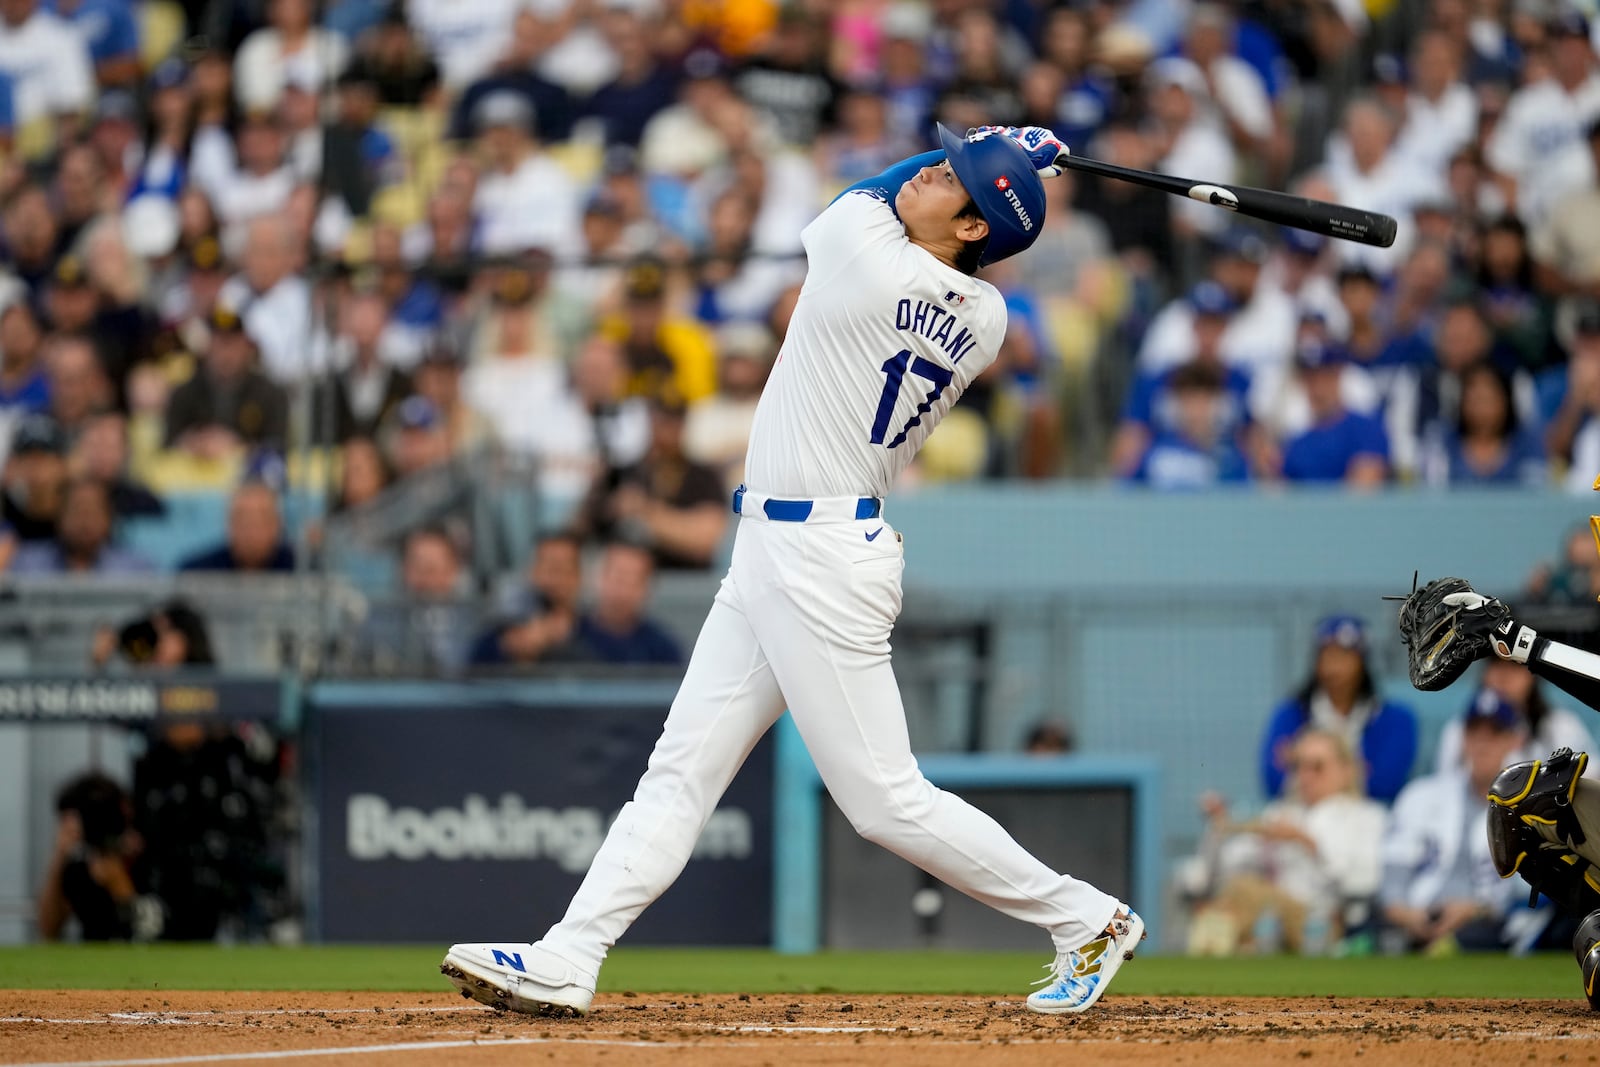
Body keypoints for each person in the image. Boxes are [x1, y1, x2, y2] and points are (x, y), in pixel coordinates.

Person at [441, 124, 1144, 1018]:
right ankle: (569, 954)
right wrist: (993, 168)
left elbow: (873, 189)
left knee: (885, 800)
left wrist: (1001, 147)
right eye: (937, 165)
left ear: (973, 229)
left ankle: (1086, 916)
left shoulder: (867, 255)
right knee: (679, 769)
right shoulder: (990, 317)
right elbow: (936, 213)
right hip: (782, 551)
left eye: (949, 176)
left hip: (818, 560)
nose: (926, 173)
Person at [1186, 729, 1387, 956]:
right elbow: (1227, 866)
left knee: (1245, 894)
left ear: (1346, 770)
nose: (1305, 776)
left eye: (1317, 767)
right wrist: (1219, 826)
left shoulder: (1368, 817)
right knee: (1235, 889)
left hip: (1326, 919)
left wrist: (1307, 842)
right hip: (1270, 913)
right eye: (1298, 766)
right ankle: (1240, 936)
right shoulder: (1282, 812)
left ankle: (1226, 937)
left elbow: (1366, 883)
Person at [1380, 689, 1533, 953]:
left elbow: (1526, 894)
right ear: (1463, 738)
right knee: (1376, 932)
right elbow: (1393, 873)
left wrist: (1475, 909)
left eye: (1494, 735)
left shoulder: (1529, 807)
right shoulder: (1421, 795)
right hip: (1418, 917)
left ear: (1512, 741)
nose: (1483, 744)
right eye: (1475, 734)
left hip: (1485, 926)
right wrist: (1407, 915)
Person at [1260, 615, 1418, 805]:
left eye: (1344, 656)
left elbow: (1386, 784)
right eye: (1327, 656)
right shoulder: (1290, 715)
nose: (1334, 667)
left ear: (1363, 662)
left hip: (1368, 822)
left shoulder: (1396, 720)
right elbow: (1274, 781)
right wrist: (1356, 770)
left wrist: (1299, 764)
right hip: (1301, 817)